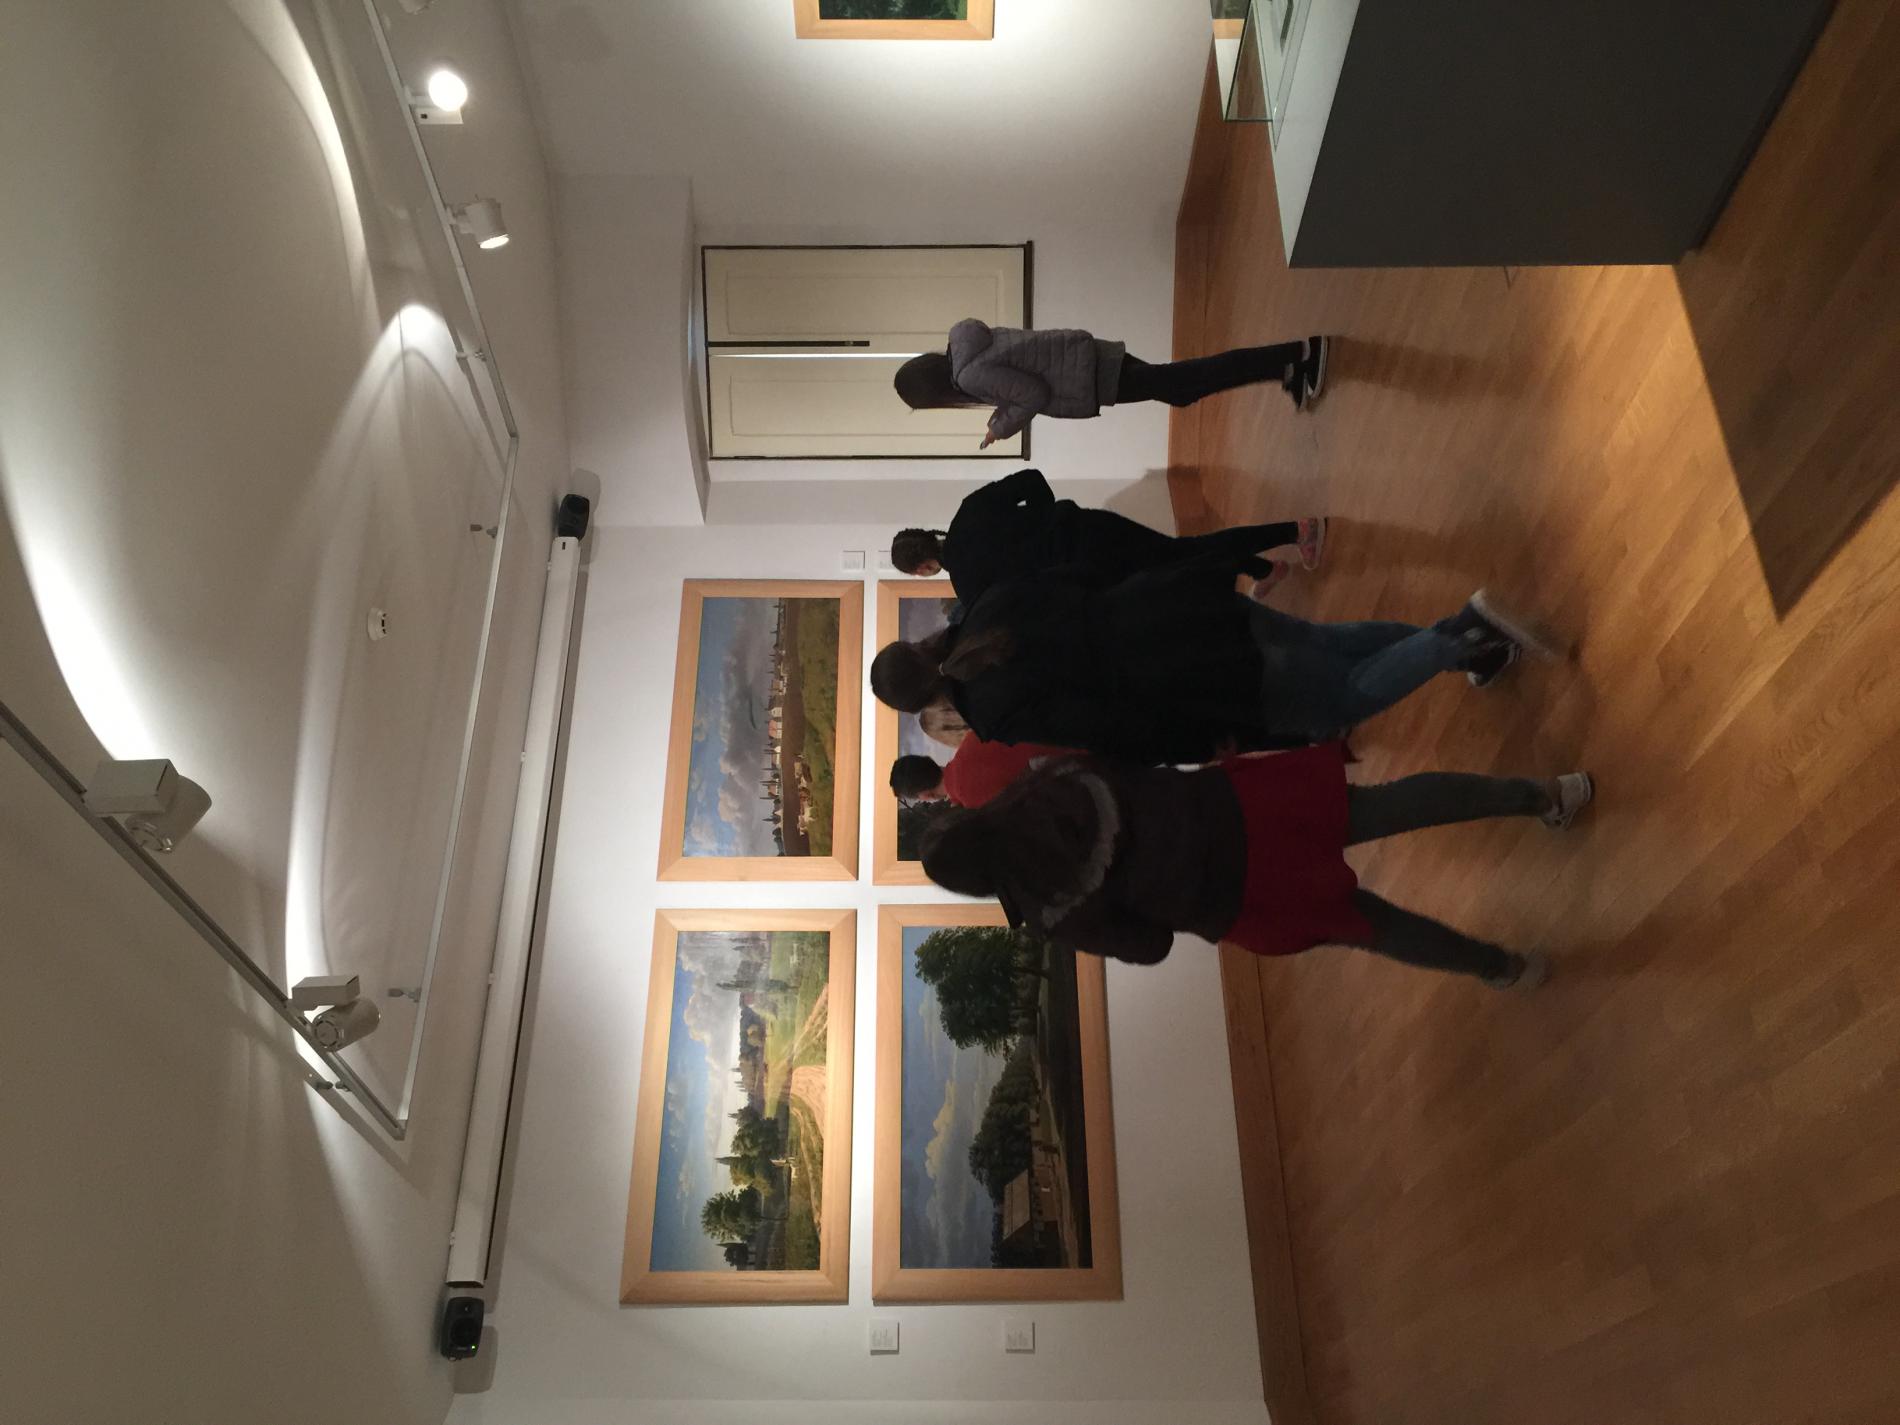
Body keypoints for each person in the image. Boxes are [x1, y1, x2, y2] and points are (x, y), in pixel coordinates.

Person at [919, 746, 1595, 987]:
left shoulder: (1049, 908)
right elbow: (1132, 760)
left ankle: (1505, 967)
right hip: (1235, 804)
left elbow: (1149, 946)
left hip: (1238, 895)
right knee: (1386, 805)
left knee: (1374, 926)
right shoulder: (1047, 779)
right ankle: (1544, 795)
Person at [869, 556, 1556, 765]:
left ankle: (1459, 634)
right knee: (1324, 640)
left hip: (1189, 682)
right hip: (1176, 609)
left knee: (1341, 697)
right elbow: (1085, 576)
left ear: (923, 703)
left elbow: (1107, 726)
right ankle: (1468, 646)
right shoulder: (987, 605)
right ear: (916, 649)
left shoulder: (992, 709)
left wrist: (1197, 747)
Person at [890, 466, 1324, 610]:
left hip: (1089, 572)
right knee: (1179, 553)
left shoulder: (969, 590)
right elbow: (1031, 479)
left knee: (1182, 557)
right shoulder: (969, 511)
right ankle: (1264, 567)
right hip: (1087, 527)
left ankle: (1294, 531)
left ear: (923, 568)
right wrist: (1047, 519)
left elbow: (1031, 599)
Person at [894, 319, 1332, 448]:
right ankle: (1285, 370)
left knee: (1189, 380)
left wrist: (1000, 427)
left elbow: (1032, 393)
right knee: (1183, 388)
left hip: (1091, 378)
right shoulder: (965, 342)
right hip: (1090, 356)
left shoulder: (969, 375)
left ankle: (1296, 354)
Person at [890, 730, 1078, 810]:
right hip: (1075, 736)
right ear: (928, 761)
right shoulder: (973, 738)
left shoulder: (974, 803)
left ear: (925, 795)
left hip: (1081, 773)